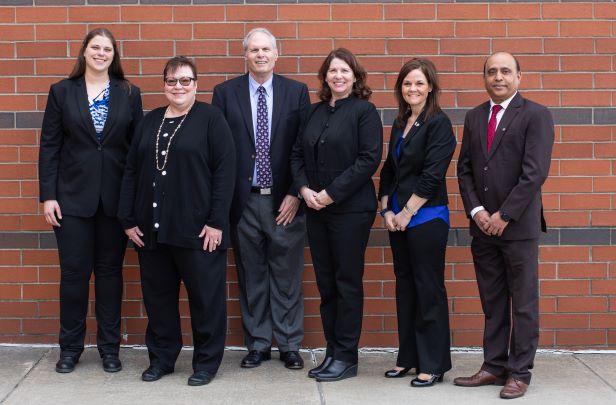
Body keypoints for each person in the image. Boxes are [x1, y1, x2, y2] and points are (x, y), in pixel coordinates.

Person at [117, 56, 236, 386]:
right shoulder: (150, 120)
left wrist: (216, 222)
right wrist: (127, 218)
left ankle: (206, 363)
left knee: (205, 301)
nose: (179, 86)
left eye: (185, 81)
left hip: (199, 230)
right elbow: (131, 171)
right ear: (164, 85)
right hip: (152, 231)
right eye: (172, 81)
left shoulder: (212, 119)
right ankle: (162, 359)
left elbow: (225, 174)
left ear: (196, 84)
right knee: (158, 300)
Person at [38, 28, 143, 374]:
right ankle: (70, 348)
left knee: (111, 275)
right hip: (71, 199)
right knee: (73, 275)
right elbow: (50, 146)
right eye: (95, 47)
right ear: (84, 52)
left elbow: (136, 152)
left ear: (115, 55)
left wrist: (133, 202)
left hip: (114, 201)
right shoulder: (62, 92)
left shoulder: (129, 93)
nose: (101, 53)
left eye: (107, 49)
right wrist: (48, 196)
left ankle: (109, 349)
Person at [455, 52, 554, 399]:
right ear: (484, 78)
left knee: (523, 302)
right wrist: (478, 211)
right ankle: (494, 366)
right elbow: (464, 168)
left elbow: (534, 173)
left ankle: (519, 372)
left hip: (518, 227)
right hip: (483, 228)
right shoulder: (474, 116)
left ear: (519, 77)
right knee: (493, 301)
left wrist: (504, 215)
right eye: (492, 72)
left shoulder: (536, 116)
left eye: (505, 71)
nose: (498, 77)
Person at [212, 28, 309, 370]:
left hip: (284, 201)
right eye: (254, 50)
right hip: (244, 202)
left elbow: (303, 148)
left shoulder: (297, 92)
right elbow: (220, 152)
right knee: (251, 275)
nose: (260, 54)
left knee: (287, 276)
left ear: (276, 54)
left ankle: (289, 345)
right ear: (246, 55)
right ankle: (257, 343)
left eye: (266, 49)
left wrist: (296, 193)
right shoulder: (225, 94)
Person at [290, 48, 383, 382]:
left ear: (355, 77)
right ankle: (333, 352)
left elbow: (368, 159)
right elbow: (297, 154)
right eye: (333, 71)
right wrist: (304, 191)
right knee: (327, 285)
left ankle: (346, 356)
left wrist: (330, 193)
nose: (338, 76)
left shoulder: (365, 112)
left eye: (345, 71)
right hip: (316, 209)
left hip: (350, 211)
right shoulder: (311, 113)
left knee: (346, 283)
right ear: (325, 77)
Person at [378, 58, 455, 387]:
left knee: (428, 289)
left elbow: (432, 175)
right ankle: (408, 358)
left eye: (419, 83)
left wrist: (407, 212)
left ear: (431, 87)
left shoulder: (439, 123)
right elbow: (390, 169)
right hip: (398, 219)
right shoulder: (400, 122)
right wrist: (385, 208)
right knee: (405, 288)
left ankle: (433, 364)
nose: (413, 89)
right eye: (407, 83)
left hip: (425, 218)